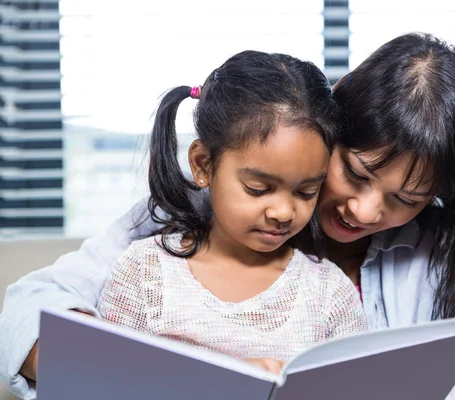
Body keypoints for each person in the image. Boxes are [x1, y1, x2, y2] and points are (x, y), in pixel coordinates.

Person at [0, 33, 455, 400]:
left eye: (407, 198)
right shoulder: (179, 228)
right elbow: (31, 307)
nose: (365, 209)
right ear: (330, 129)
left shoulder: (444, 263)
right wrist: (140, 371)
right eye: (356, 173)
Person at [96, 50, 367, 373]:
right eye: (258, 189)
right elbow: (104, 382)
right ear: (203, 165)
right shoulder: (145, 274)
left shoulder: (329, 295)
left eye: (306, 192)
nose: (283, 211)